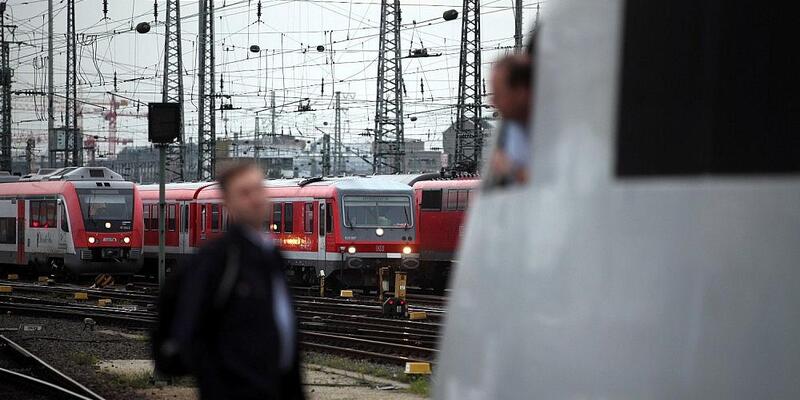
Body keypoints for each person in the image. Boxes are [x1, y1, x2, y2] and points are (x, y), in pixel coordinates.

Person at [167, 162, 304, 400]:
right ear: (228, 203)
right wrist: (217, 379)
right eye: (244, 193)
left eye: (259, 189)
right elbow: (186, 327)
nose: (255, 199)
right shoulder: (214, 259)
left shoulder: (272, 256)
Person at [485, 53, 534, 188]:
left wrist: (511, 169)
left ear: (521, 92)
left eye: (499, 95)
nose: (493, 102)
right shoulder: (507, 130)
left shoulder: (556, 129)